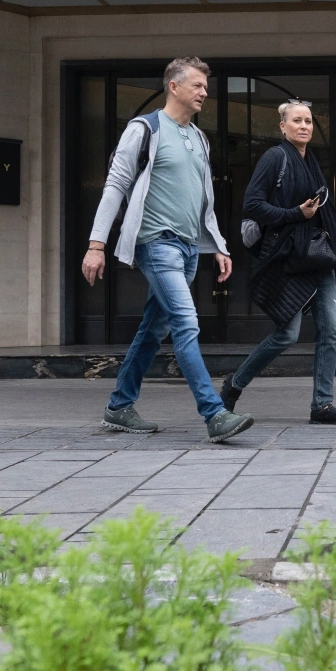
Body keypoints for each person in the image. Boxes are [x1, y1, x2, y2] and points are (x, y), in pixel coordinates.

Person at [81, 57, 255, 443]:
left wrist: (219, 247)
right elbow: (115, 186)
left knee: (152, 330)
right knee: (186, 322)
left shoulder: (199, 137)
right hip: (156, 244)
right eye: (197, 85)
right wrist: (97, 245)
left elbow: (203, 200)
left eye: (205, 87)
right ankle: (214, 414)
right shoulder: (144, 129)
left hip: (190, 247)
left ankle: (119, 406)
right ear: (173, 86)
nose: (204, 93)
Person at [221, 100, 336, 425]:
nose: (304, 126)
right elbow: (253, 204)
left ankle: (322, 405)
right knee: (287, 334)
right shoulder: (275, 157)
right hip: (288, 256)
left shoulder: (312, 161)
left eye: (308, 121)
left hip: (318, 255)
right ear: (283, 126)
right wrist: (294, 214)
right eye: (297, 120)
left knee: (331, 331)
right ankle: (233, 384)